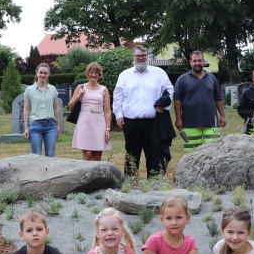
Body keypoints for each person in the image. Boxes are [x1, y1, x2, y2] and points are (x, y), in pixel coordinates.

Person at [113, 46, 174, 177]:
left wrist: (164, 105)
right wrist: (118, 115)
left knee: (153, 153)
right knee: (131, 153)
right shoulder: (125, 75)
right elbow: (118, 96)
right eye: (138, 56)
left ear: (148, 56)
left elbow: (170, 91)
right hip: (131, 122)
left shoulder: (159, 73)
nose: (141, 58)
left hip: (153, 122)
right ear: (134, 57)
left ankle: (153, 183)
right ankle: (130, 182)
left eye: (143, 55)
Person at [174, 51, 226, 151]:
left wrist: (222, 116)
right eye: (195, 61)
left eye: (199, 60)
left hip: (212, 122)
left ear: (203, 61)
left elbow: (218, 99)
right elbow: (177, 101)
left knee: (214, 152)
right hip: (189, 123)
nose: (197, 63)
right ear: (190, 62)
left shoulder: (212, 78)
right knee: (191, 155)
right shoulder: (182, 79)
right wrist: (178, 118)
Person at [69, 62, 112, 161]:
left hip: (99, 122)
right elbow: (70, 106)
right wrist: (78, 96)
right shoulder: (81, 87)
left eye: (96, 72)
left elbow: (107, 111)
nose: (93, 75)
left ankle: (97, 177)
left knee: (97, 156)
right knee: (87, 155)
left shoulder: (104, 90)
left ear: (99, 74)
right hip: (85, 122)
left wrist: (108, 129)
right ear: (87, 73)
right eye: (91, 72)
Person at [24, 63, 61, 157]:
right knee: (36, 155)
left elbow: (56, 108)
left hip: (51, 126)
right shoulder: (29, 90)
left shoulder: (53, 89)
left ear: (48, 74)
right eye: (41, 72)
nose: (43, 75)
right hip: (35, 125)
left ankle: (50, 172)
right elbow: (26, 109)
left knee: (50, 154)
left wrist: (58, 125)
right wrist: (26, 127)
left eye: (45, 73)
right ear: (36, 73)